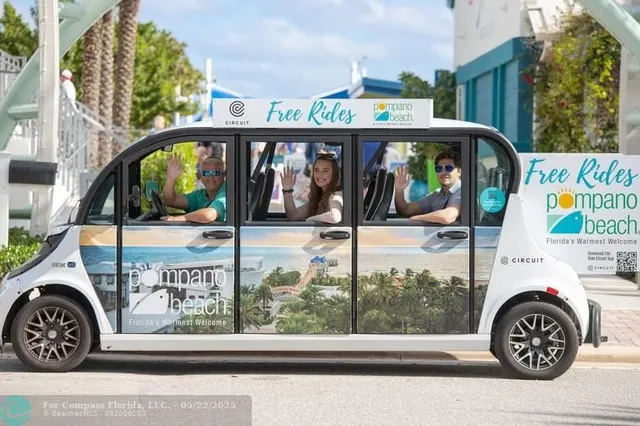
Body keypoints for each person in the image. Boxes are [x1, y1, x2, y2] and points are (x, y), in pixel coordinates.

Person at [394, 150, 462, 224]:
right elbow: (406, 210)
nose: (443, 172)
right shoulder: (436, 195)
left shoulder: (462, 192)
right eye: (439, 169)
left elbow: (447, 217)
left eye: (448, 168)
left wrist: (415, 219)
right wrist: (399, 190)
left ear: (459, 171)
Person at [160, 154, 226, 223]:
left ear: (224, 175)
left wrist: (177, 219)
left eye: (216, 173)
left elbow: (208, 216)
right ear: (200, 176)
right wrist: (171, 179)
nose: (211, 177)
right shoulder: (201, 195)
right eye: (206, 173)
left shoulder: (227, 193)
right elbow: (170, 200)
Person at [280, 152, 343, 224]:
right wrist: (287, 190)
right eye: (316, 170)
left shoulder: (336, 195)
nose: (320, 174)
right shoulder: (318, 198)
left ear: (334, 174)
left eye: (325, 170)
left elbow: (335, 217)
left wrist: (310, 220)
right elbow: (293, 216)